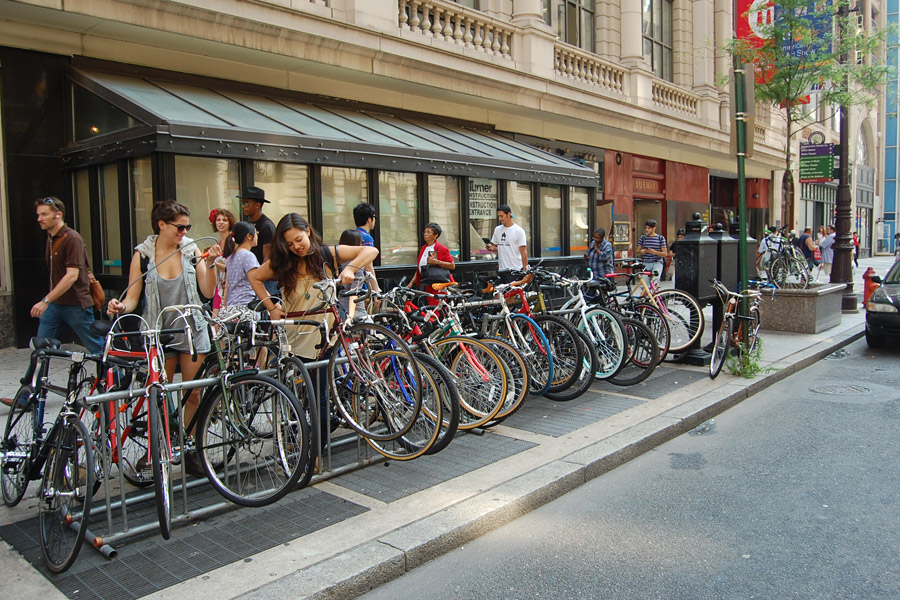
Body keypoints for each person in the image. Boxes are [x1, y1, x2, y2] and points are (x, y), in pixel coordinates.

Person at [107, 200, 221, 475]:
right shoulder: (143, 255)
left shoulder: (191, 249)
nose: (184, 232)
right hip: (159, 331)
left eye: (187, 227)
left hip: (191, 328)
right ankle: (157, 449)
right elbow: (133, 299)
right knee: (158, 394)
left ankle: (192, 449)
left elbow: (207, 291)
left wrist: (213, 264)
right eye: (179, 227)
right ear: (161, 224)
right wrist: (120, 306)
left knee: (193, 392)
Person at [248, 214, 378, 443]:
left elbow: (370, 251)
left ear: (308, 231)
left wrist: (351, 269)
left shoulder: (326, 254)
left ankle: (316, 449)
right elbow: (255, 278)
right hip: (294, 337)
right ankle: (293, 448)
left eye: (298, 239)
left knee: (319, 396)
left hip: (323, 336)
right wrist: (271, 307)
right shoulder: (282, 261)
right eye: (289, 243)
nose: (296, 247)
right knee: (293, 396)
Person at [1, 196, 104, 409]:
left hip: (75, 304)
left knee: (97, 347)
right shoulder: (51, 238)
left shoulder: (71, 238)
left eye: (44, 214)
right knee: (40, 350)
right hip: (57, 306)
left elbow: (72, 275)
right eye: (38, 214)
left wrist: (45, 300)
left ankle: (120, 379)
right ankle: (26, 397)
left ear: (58, 214)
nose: (39, 218)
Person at [238, 186, 277, 296]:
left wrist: (257, 278)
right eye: (242, 203)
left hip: (265, 280)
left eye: (246, 203)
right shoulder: (251, 224)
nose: (243, 206)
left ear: (257, 205)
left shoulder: (266, 226)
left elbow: (267, 258)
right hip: (255, 277)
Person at [411, 222, 456, 301]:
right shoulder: (423, 248)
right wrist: (411, 283)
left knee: (438, 309)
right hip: (427, 283)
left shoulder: (442, 248)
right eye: (425, 232)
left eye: (428, 232)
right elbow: (420, 268)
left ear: (436, 235)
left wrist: (437, 262)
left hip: (439, 284)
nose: (425, 234)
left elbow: (452, 266)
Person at [486, 204, 528, 284]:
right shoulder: (498, 230)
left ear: (508, 214)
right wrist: (491, 248)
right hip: (501, 270)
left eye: (502, 216)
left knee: (510, 295)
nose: (500, 219)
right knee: (499, 295)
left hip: (515, 270)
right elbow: (496, 246)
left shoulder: (519, 231)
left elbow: (524, 252)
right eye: (499, 216)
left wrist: (525, 271)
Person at [222, 221, 260, 309]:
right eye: (256, 233)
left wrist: (223, 307)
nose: (257, 236)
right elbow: (256, 283)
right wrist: (274, 306)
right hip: (246, 306)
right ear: (249, 236)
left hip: (232, 307)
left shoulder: (231, 256)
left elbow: (227, 285)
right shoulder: (248, 255)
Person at [337, 229, 369, 320]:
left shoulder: (338, 262)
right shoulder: (356, 264)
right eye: (360, 243)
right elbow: (354, 291)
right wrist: (351, 316)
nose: (361, 246)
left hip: (340, 306)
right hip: (356, 309)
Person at [210, 208, 236, 314]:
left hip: (230, 286)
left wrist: (213, 263)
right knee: (215, 322)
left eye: (224, 220)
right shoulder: (218, 243)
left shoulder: (233, 241)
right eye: (218, 220)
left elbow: (234, 267)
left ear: (230, 222)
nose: (221, 222)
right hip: (219, 285)